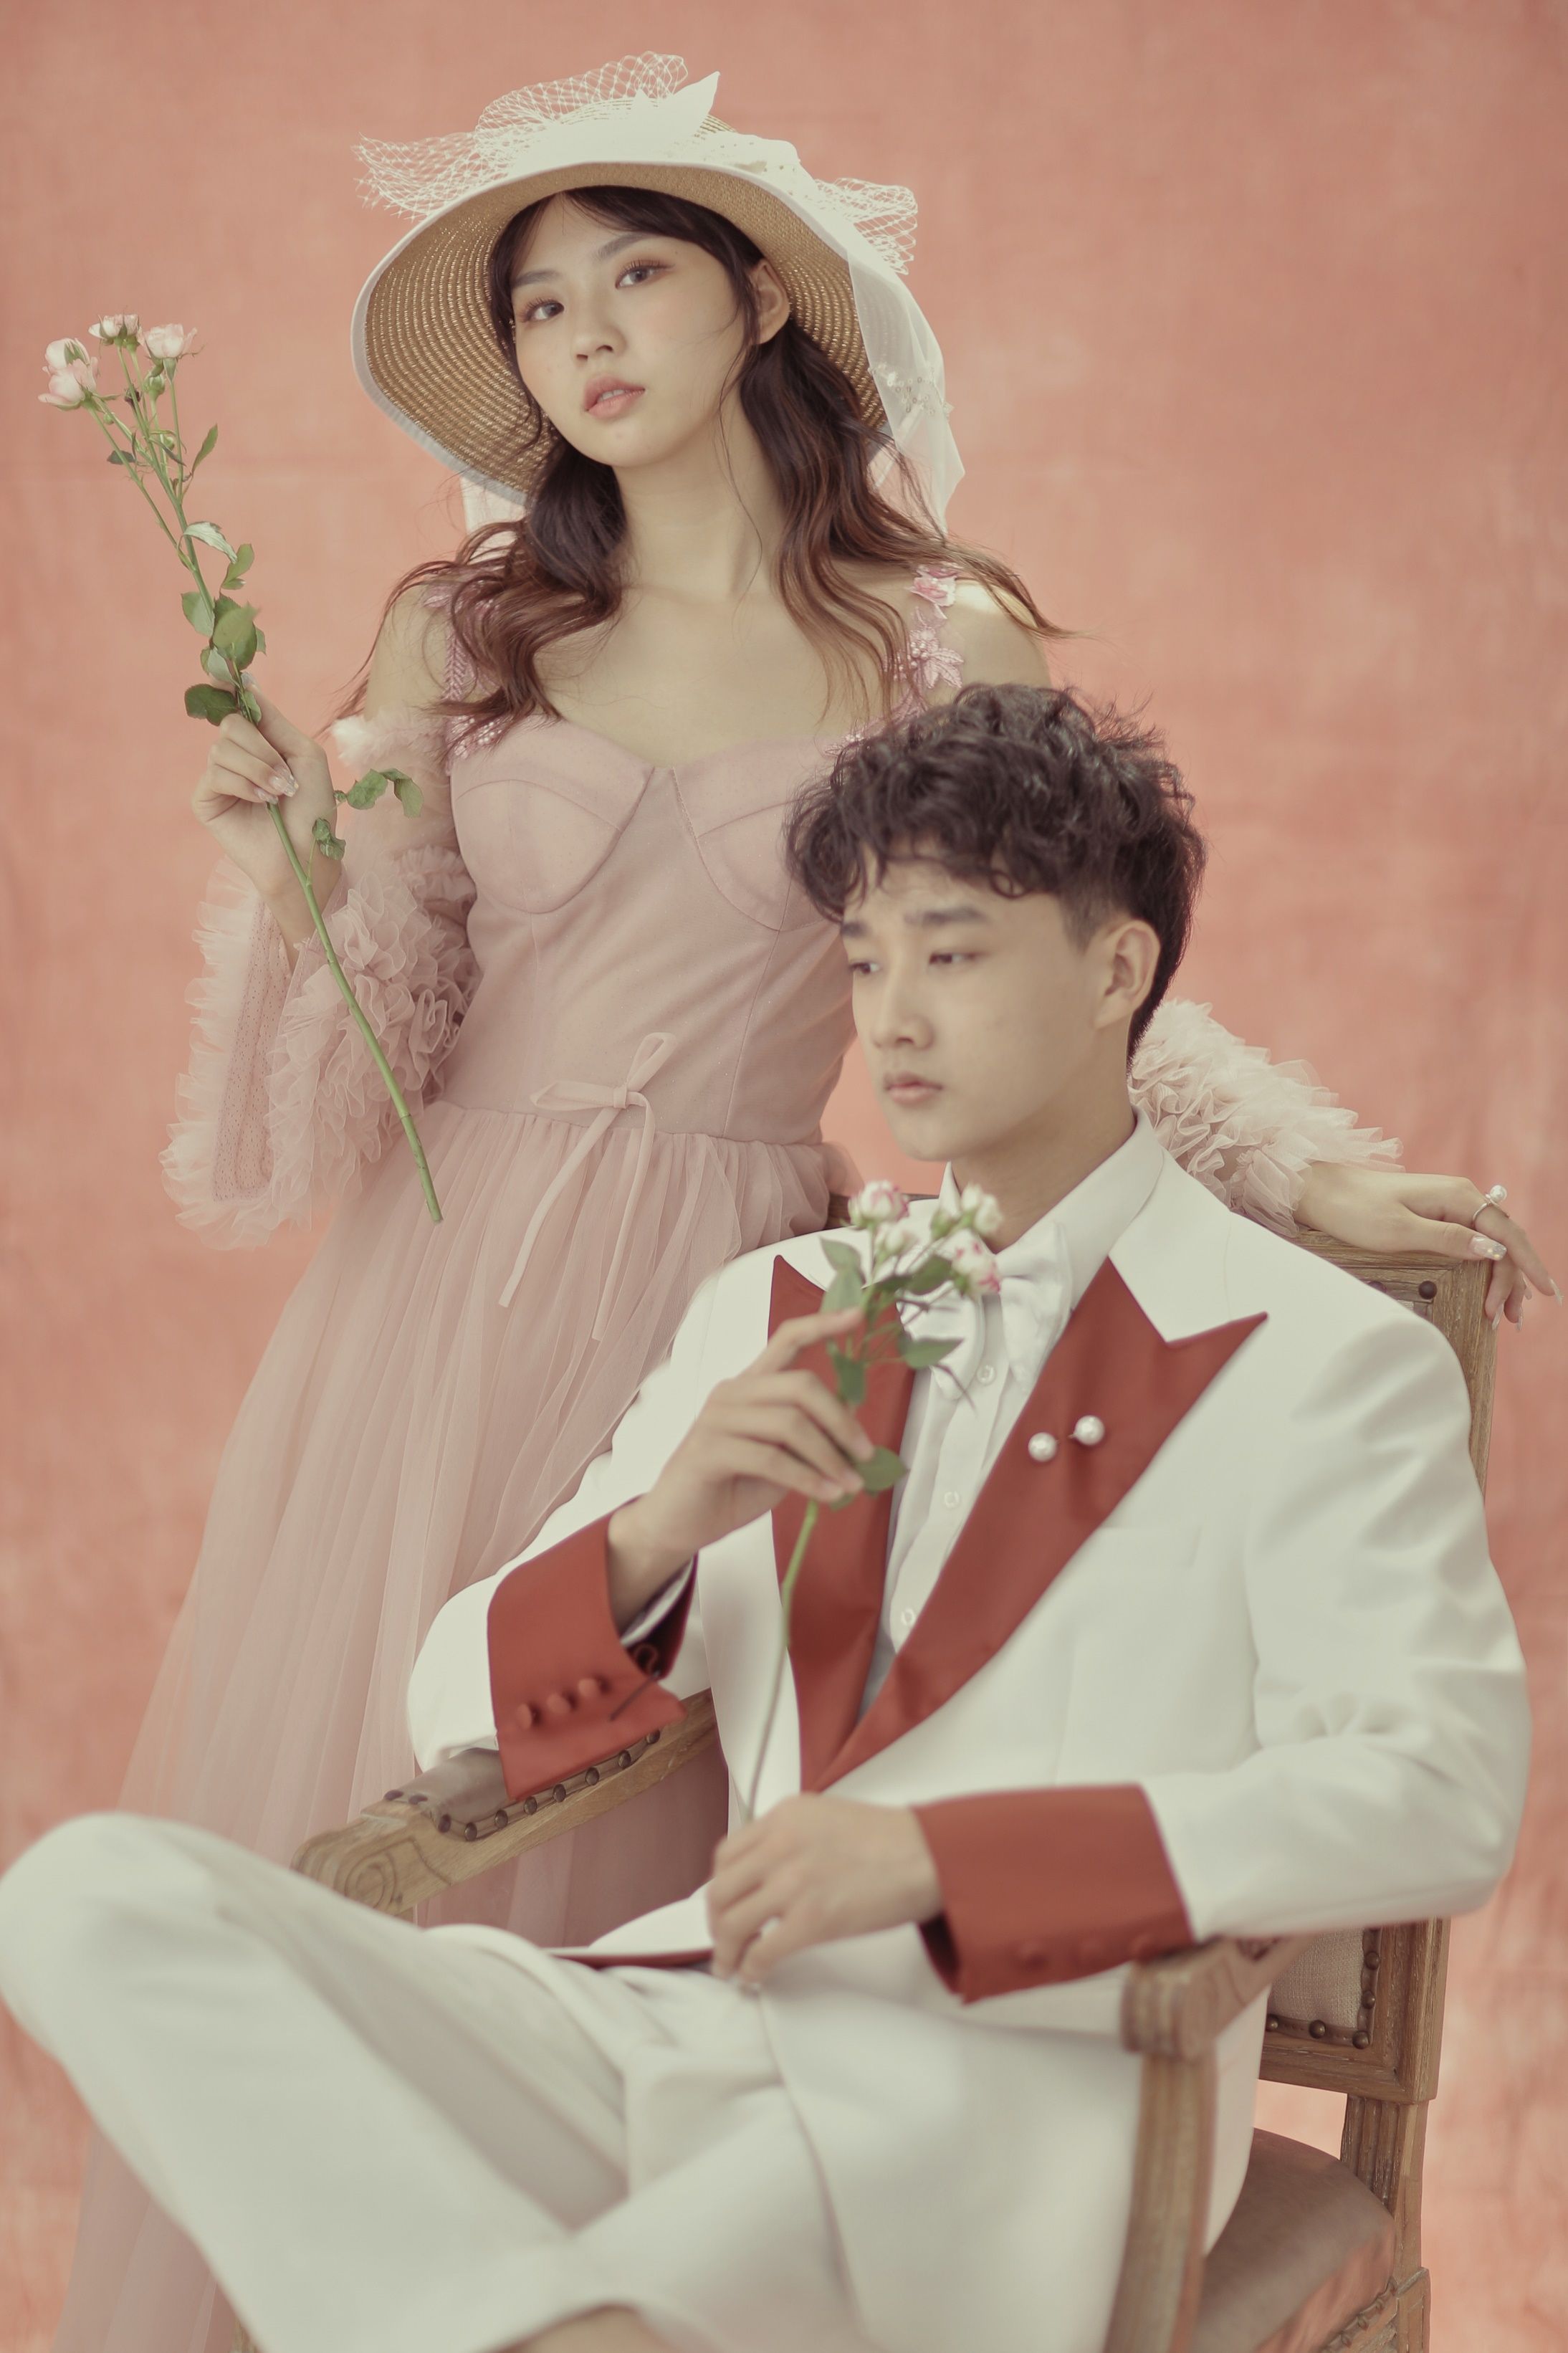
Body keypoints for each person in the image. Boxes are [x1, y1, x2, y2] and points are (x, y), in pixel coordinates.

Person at [61, 55, 1550, 2353]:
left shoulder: (936, 646)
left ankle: (650, 2260)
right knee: (337, 1807)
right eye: (539, 304)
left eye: (633, 275)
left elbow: (1040, 956)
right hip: (437, 1291)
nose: (584, 337)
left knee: (711, 1806)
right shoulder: (465, 634)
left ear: (760, 295)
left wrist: (1298, 1162)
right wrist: (293, 887)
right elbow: (350, 1084)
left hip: (714, 1231)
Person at [1, 682, 1531, 2353]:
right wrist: (662, 1526)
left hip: (1001, 2101)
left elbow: (1433, 1791)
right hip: (684, 2027)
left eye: (950, 954)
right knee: (85, 1898)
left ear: (1116, 971)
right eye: (862, 962)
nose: (891, 1018)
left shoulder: (1323, 1359)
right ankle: (527, 2322)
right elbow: (454, 1707)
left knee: (667, 2261)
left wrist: (940, 1861)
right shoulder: (786, 1303)